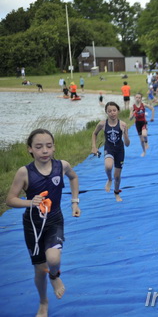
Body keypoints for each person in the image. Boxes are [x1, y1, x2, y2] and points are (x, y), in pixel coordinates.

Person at [6, 129, 81, 317]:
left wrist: (74, 202)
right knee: (39, 270)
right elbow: (10, 199)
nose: (45, 150)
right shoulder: (24, 172)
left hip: (55, 219)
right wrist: (30, 202)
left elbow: (74, 177)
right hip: (33, 225)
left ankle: (55, 275)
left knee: (54, 259)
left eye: (48, 146)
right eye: (39, 147)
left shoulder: (61, 166)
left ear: (54, 147)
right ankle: (43, 301)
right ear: (30, 149)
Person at [91, 102, 130, 202]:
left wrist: (125, 132)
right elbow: (94, 134)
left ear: (118, 111)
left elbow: (127, 144)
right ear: (106, 112)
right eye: (109, 111)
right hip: (109, 148)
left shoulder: (122, 124)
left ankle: (116, 192)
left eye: (114, 110)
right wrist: (94, 147)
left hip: (119, 150)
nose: (112, 113)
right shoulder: (102, 124)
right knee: (108, 166)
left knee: (117, 176)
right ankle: (109, 179)